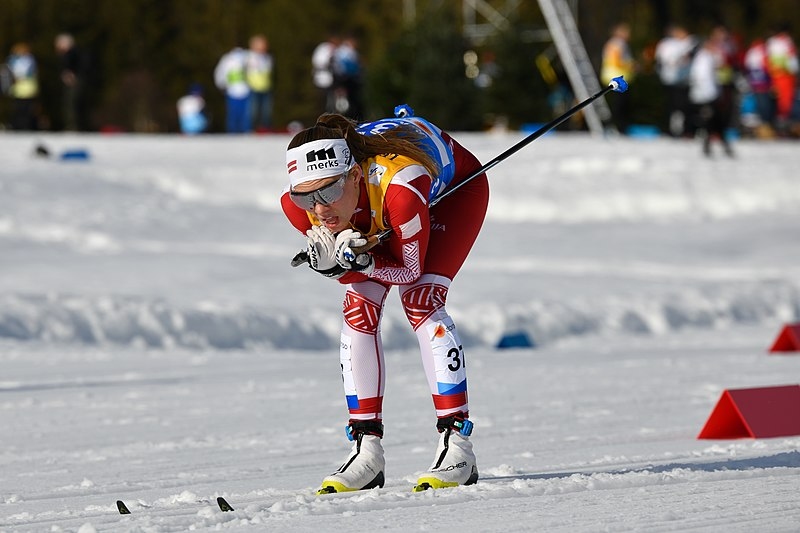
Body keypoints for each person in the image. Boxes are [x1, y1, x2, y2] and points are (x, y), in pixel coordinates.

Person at [281, 107, 489, 494]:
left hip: (454, 191)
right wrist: (339, 269)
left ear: (355, 175)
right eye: (306, 197)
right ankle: (366, 451)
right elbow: (354, 272)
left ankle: (457, 445)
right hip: (381, 208)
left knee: (422, 300)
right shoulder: (304, 208)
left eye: (329, 191)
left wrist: (362, 260)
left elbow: (407, 271)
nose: (320, 210)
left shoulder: (401, 188)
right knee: (357, 307)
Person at [689, 33, 734, 157]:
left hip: (710, 94)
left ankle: (712, 146)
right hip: (707, 95)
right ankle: (719, 146)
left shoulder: (709, 57)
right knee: (714, 121)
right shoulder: (703, 58)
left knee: (714, 122)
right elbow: (701, 77)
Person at [654, 25, 697, 137]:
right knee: (670, 106)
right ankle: (668, 129)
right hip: (669, 79)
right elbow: (661, 60)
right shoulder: (666, 44)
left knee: (683, 106)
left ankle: (685, 130)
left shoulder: (687, 43)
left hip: (683, 80)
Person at [601, 23, 636, 134]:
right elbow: (617, 60)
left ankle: (614, 126)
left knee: (617, 104)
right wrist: (631, 66)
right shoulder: (618, 43)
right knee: (619, 105)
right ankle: (617, 127)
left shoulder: (613, 43)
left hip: (612, 76)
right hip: (617, 78)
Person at [765, 25, 798, 133]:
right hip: (785, 77)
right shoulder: (786, 42)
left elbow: (767, 60)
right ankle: (783, 125)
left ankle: (778, 124)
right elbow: (792, 60)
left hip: (774, 77)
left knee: (777, 102)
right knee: (785, 102)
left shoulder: (771, 43)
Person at [54, 33, 88, 131]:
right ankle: (72, 126)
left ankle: (72, 127)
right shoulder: (70, 54)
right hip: (73, 81)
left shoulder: (73, 53)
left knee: (72, 103)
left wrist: (72, 75)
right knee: (71, 104)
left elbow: (76, 67)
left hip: (74, 81)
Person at [214, 46, 250, 133]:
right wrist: (222, 85)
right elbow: (220, 73)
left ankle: (244, 131)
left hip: (245, 91)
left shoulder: (247, 57)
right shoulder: (227, 59)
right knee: (233, 114)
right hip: (232, 91)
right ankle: (233, 132)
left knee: (244, 115)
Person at [5, 42, 39, 130]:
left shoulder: (30, 60)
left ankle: (25, 127)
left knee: (26, 110)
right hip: (18, 89)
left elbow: (30, 72)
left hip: (27, 89)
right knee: (18, 110)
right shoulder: (12, 60)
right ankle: (17, 126)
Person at [246, 34, 274, 132]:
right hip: (254, 88)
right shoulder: (249, 57)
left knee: (266, 111)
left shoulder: (267, 57)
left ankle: (265, 129)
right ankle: (252, 129)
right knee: (254, 111)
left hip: (265, 87)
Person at [311, 35, 339, 114]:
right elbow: (318, 62)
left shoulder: (335, 49)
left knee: (332, 102)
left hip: (332, 80)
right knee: (322, 101)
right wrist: (329, 61)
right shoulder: (323, 49)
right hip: (322, 79)